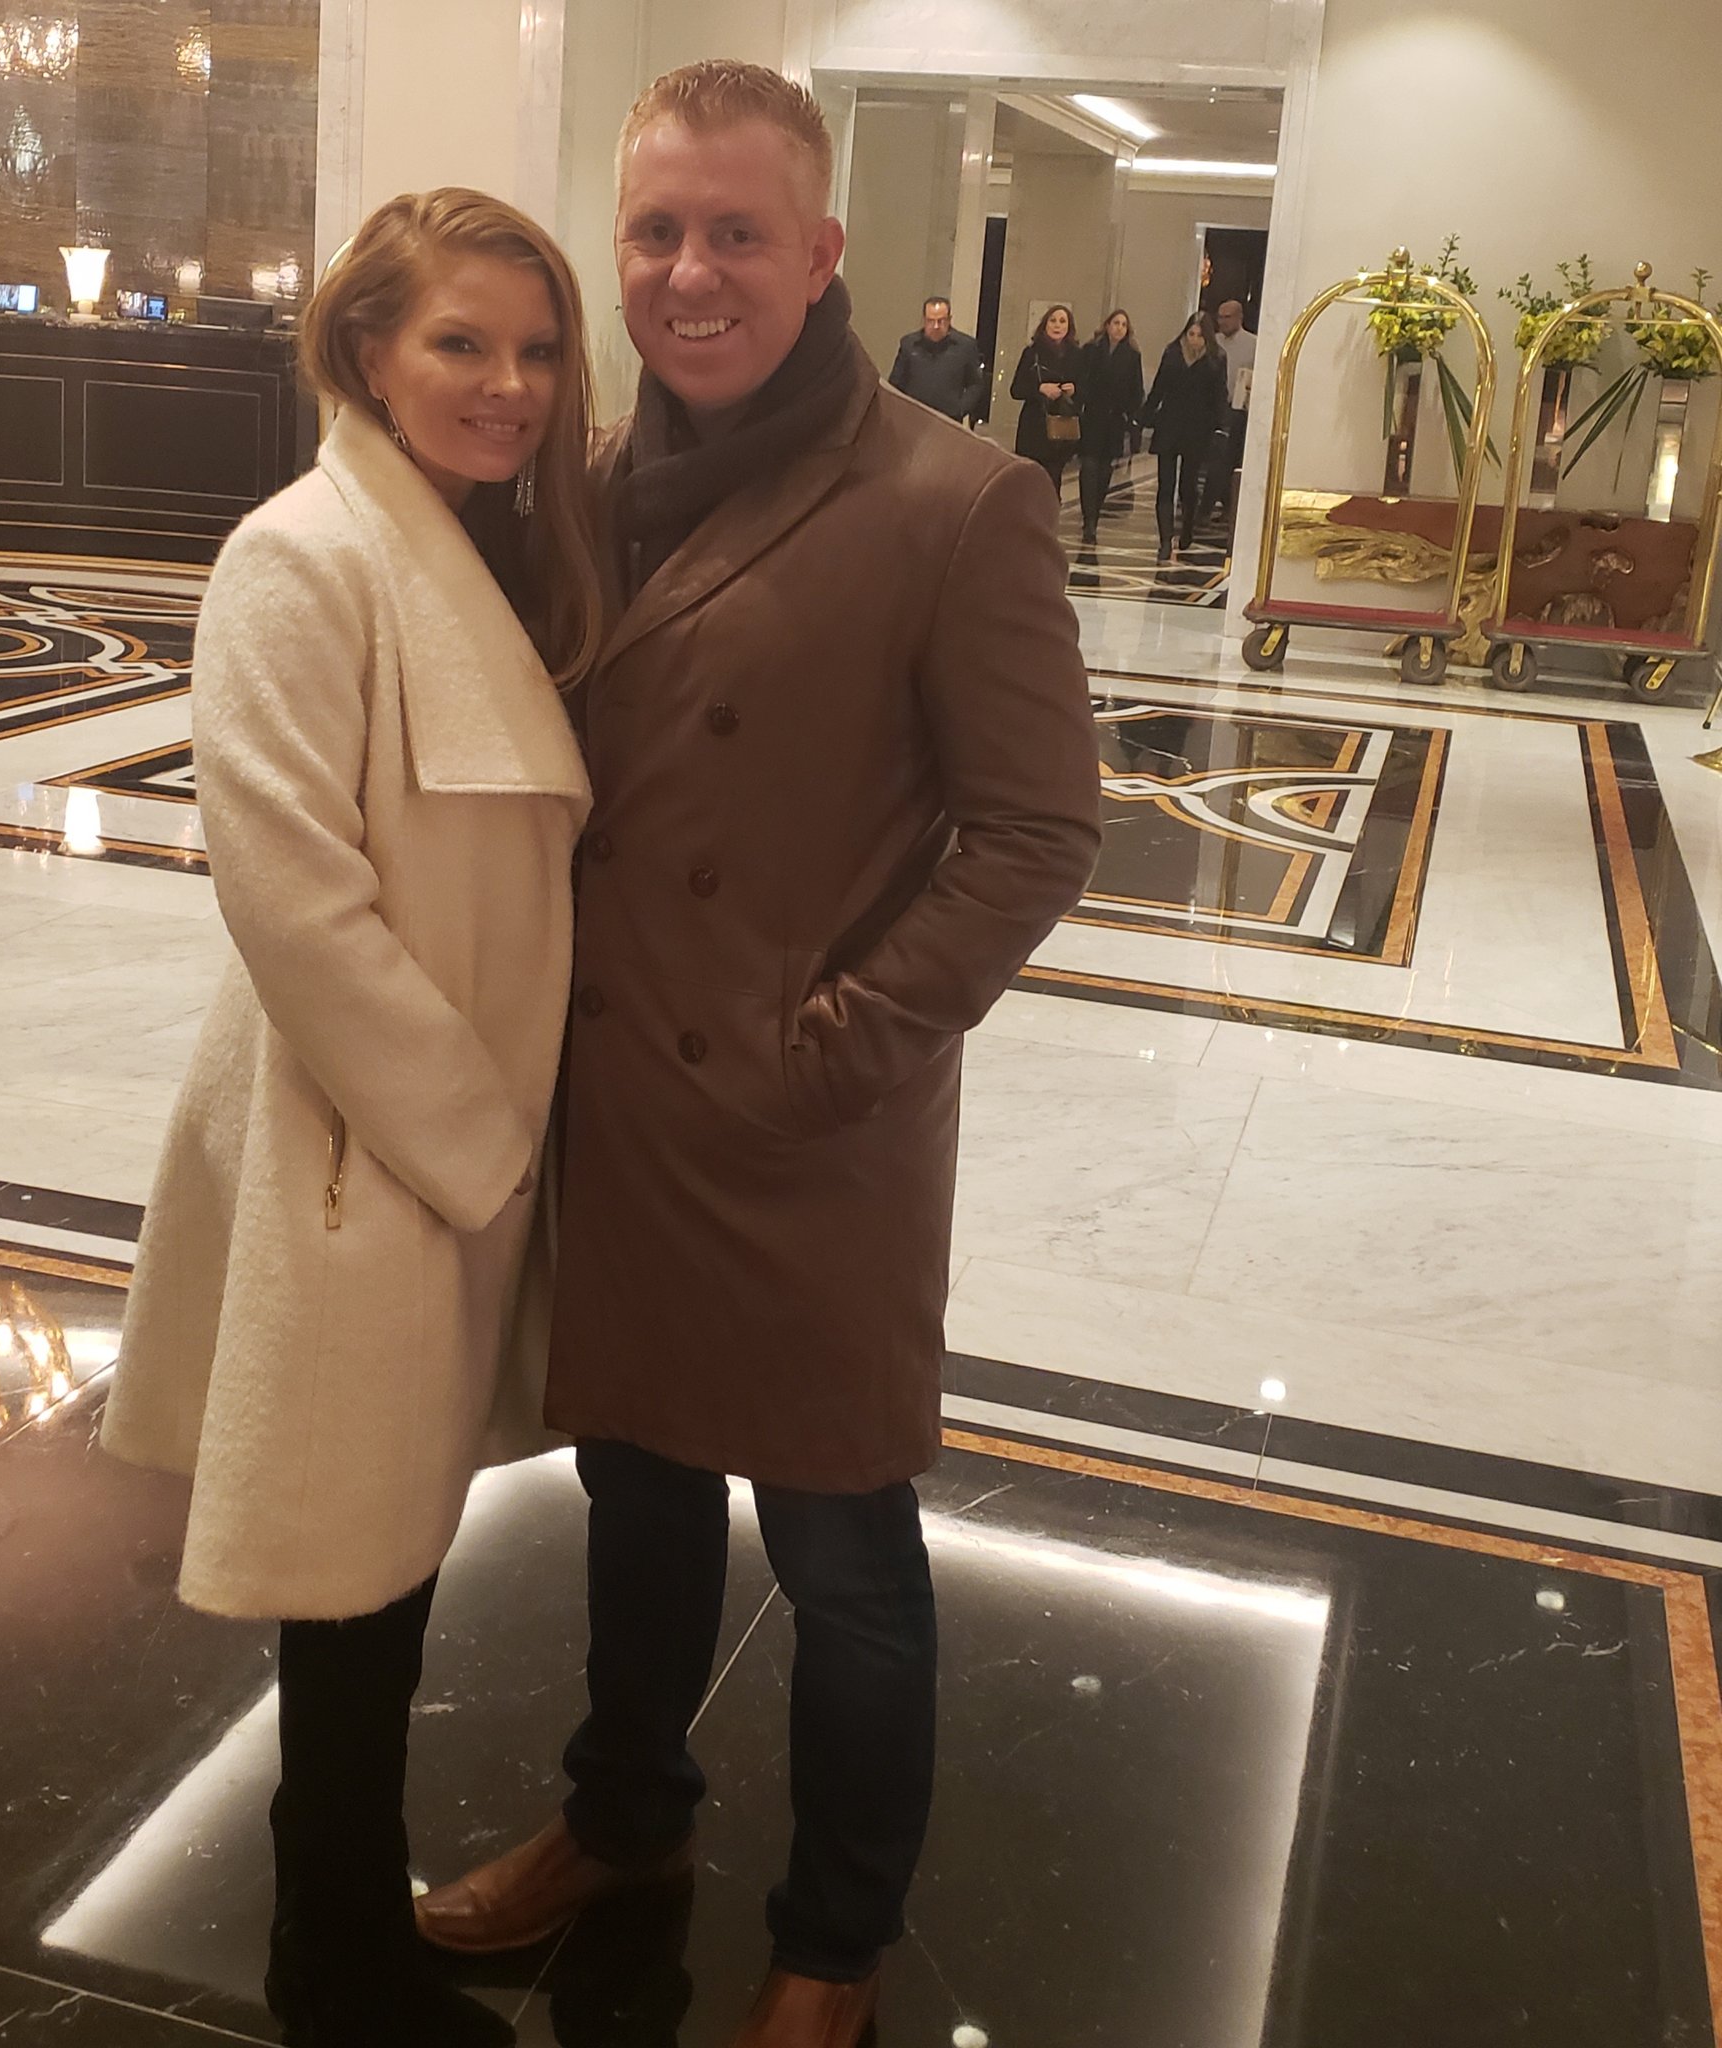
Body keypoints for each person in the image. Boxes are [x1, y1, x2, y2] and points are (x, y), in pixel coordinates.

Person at [414, 60, 1102, 2048]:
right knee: (630, 1501)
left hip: (812, 1130)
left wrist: (842, 1047)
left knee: (844, 1553)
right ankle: (621, 1820)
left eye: (734, 232)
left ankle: (835, 1936)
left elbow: (1037, 830)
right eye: (653, 230)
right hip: (621, 1099)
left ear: (819, 254)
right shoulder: (583, 479)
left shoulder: (956, 497)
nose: (689, 270)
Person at [100, 189, 602, 2048]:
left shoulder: (477, 552)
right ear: (363, 350)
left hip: (440, 1145)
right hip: (368, 1145)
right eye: (460, 342)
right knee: (350, 1576)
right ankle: (334, 1955)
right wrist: (478, 1145)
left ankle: (343, 1922)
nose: (508, 384)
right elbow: (292, 895)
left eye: (537, 348)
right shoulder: (301, 555)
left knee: (385, 1570)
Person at [1141, 311, 1225, 563]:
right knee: (1166, 485)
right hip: (1170, 424)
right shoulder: (1172, 353)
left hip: (1198, 428)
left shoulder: (1216, 358)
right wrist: (1144, 415)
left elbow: (1219, 395)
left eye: (1200, 335)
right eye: (1191, 334)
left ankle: (1187, 528)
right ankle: (1165, 540)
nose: (1195, 339)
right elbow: (1159, 387)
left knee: (1188, 485)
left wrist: (1221, 427)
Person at [1074, 307, 1144, 546]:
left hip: (1114, 421)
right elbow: (1081, 379)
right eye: (1116, 323)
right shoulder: (1091, 350)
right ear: (1107, 325)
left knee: (1105, 471)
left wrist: (1130, 415)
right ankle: (1088, 519)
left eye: (1124, 325)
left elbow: (1137, 390)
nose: (1119, 328)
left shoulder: (1132, 356)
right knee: (1089, 467)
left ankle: (1095, 511)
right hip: (1092, 417)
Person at [1009, 302, 1082, 494]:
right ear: (1045, 324)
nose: (1057, 326)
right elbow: (1016, 389)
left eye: (1062, 321)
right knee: (1029, 479)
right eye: (1053, 321)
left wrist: (1074, 389)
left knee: (1053, 480)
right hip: (1034, 425)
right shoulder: (1032, 353)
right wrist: (1040, 388)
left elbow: (1086, 389)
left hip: (1061, 424)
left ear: (1069, 327)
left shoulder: (1076, 355)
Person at [1201, 297, 1258, 528]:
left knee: (1228, 459)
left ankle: (1224, 507)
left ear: (1239, 318)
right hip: (1214, 407)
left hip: (1239, 410)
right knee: (1213, 459)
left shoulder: (1254, 344)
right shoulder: (1212, 342)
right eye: (1220, 317)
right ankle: (1209, 506)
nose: (1222, 321)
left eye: (1227, 317)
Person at [888, 295, 987, 425]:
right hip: (913, 421)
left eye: (941, 321)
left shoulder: (966, 346)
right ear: (924, 320)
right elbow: (895, 383)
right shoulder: (909, 344)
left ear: (949, 320)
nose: (936, 326)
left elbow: (975, 384)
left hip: (949, 422)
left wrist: (960, 409)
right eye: (930, 321)